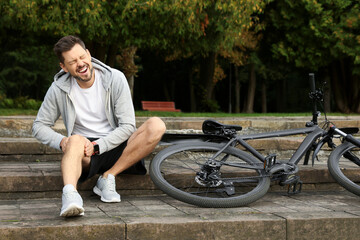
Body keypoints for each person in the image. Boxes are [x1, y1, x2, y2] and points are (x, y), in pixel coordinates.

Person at [32, 35, 166, 217]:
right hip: (84, 149)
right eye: (72, 62)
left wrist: (97, 146)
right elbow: (39, 126)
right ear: (63, 67)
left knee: (156, 125)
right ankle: (71, 196)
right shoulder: (58, 88)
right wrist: (63, 141)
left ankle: (108, 177)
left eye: (82, 57)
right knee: (75, 140)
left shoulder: (115, 78)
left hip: (120, 145)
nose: (80, 63)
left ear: (88, 54)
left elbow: (127, 127)